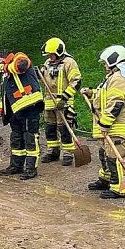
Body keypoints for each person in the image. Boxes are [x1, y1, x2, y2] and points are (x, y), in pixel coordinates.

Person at [83, 45, 125, 200]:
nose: (104, 65)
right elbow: (105, 98)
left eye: (105, 62)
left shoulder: (120, 79)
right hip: (112, 125)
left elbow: (116, 103)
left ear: (113, 60)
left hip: (118, 126)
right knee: (105, 153)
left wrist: (105, 124)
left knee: (115, 156)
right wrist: (92, 93)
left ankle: (119, 189)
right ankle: (106, 179)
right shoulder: (113, 77)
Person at [0, 52, 44, 180]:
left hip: (29, 108)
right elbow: (6, 97)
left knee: (30, 138)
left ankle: (31, 169)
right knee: (16, 139)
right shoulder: (7, 78)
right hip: (16, 112)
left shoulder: (19, 58)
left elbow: (21, 66)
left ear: (3, 60)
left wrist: (5, 67)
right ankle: (16, 166)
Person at [40, 38, 82, 166]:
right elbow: (44, 78)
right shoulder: (47, 63)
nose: (50, 57)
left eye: (51, 54)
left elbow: (76, 81)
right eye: (48, 55)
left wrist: (64, 98)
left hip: (63, 101)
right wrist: (38, 74)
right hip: (49, 101)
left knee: (64, 128)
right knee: (50, 128)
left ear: (59, 52)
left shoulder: (69, 63)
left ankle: (68, 153)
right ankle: (53, 151)